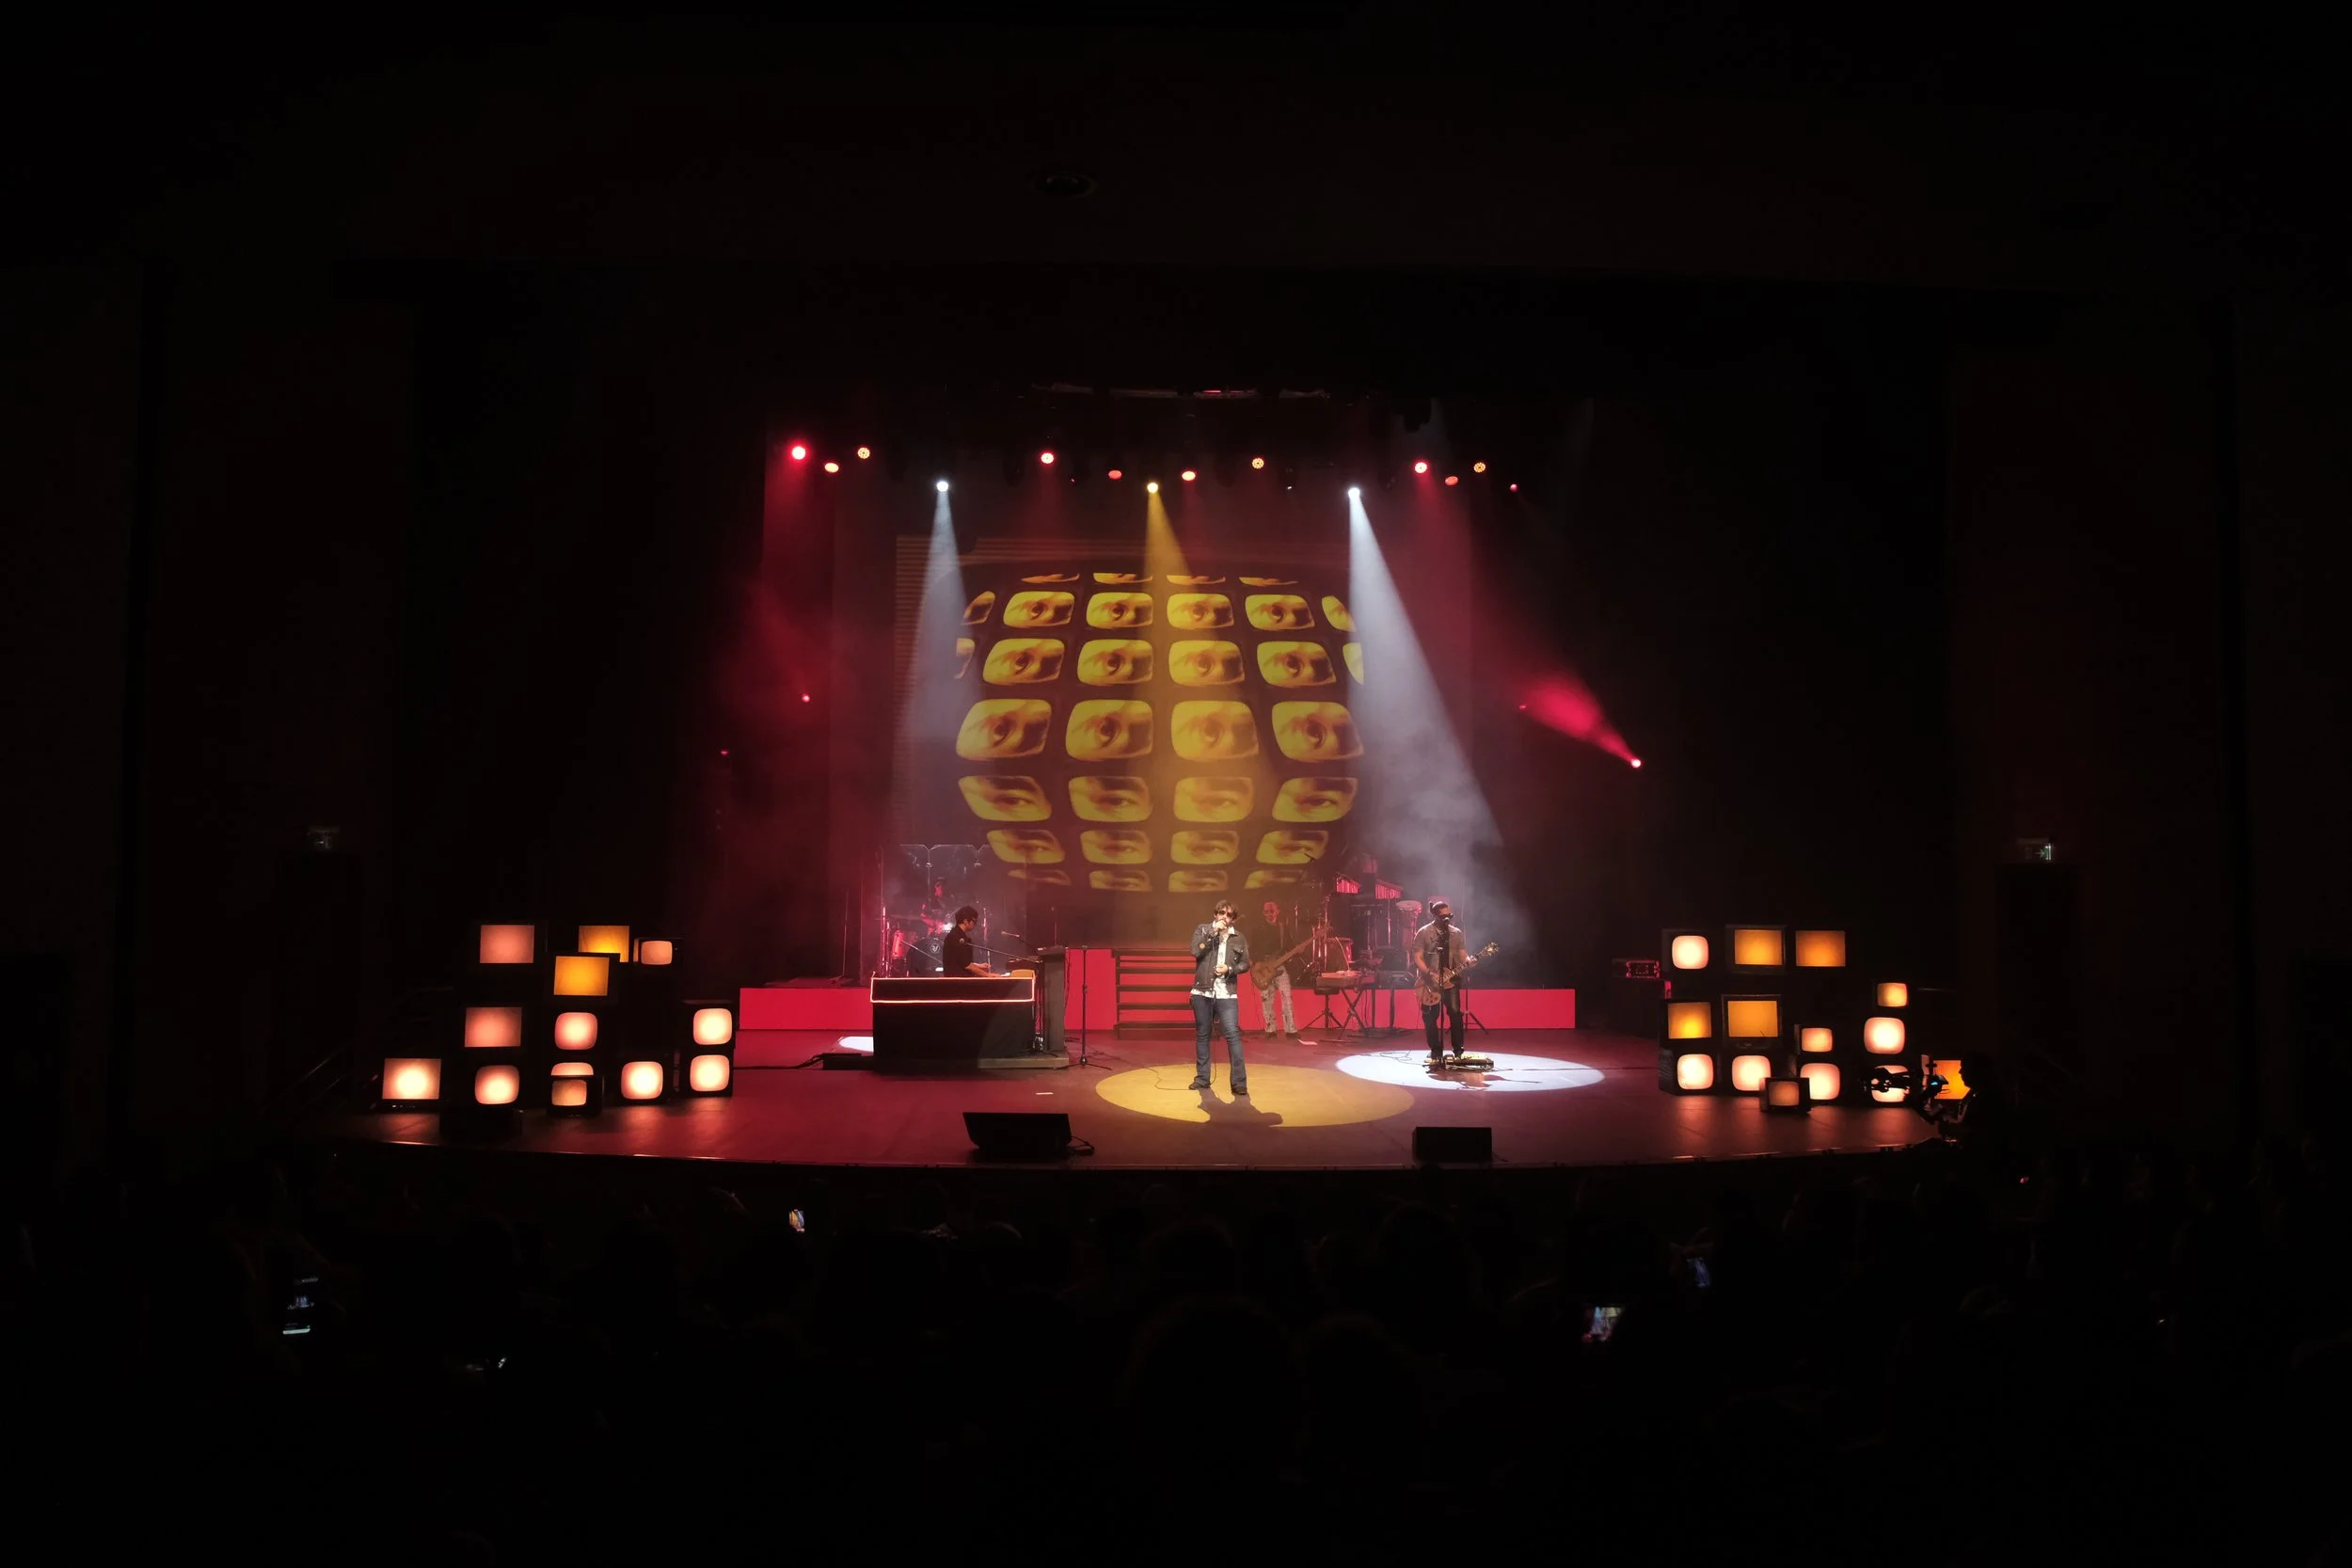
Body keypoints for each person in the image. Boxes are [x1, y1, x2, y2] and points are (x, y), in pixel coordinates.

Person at [1187, 899, 1251, 1095]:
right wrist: (1212, 932)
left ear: (1233, 919)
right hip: (1202, 991)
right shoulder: (1203, 929)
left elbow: (1245, 964)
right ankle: (1202, 1079)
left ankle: (1239, 1083)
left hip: (1226, 993)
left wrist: (1229, 969)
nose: (1225, 917)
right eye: (1222, 913)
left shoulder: (1238, 938)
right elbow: (1195, 951)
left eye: (1229, 915)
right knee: (1203, 1035)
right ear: (1215, 914)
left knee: (1232, 1035)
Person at [1414, 897, 1470, 1062]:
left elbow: (1462, 953)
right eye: (1443, 916)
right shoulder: (1424, 932)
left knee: (1455, 1014)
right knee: (1430, 1016)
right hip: (1429, 981)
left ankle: (1458, 1050)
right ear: (1435, 916)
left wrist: (1468, 960)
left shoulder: (1456, 933)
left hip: (1451, 980)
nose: (1447, 919)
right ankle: (1435, 1049)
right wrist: (1428, 973)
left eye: (1449, 916)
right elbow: (1417, 956)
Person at [1248, 899, 1298, 1038]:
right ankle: (1270, 1029)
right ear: (1263, 913)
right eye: (1266, 912)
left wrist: (1298, 950)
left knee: (1287, 996)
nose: (1269, 914)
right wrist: (1257, 963)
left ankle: (1291, 1030)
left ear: (1277, 911)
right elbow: (1251, 949)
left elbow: (1289, 946)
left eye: (1271, 911)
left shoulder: (1283, 928)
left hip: (1280, 966)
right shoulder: (1258, 929)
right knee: (1267, 999)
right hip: (1263, 968)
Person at [941, 906, 993, 976]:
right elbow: (967, 966)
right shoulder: (955, 937)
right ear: (965, 921)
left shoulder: (959, 936)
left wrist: (979, 966)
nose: (975, 924)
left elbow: (962, 961)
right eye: (974, 921)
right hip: (957, 981)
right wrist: (988, 975)